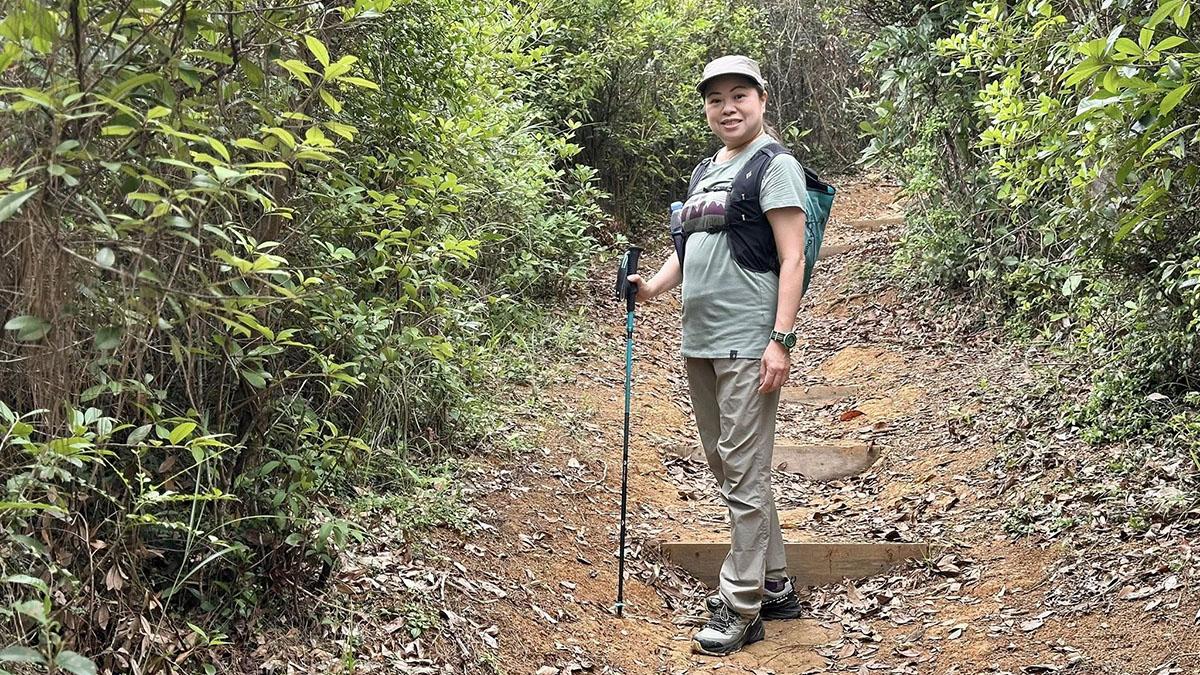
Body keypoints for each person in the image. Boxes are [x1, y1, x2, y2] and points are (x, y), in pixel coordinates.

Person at [626, 55, 809, 656]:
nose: (727, 108)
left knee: (743, 471)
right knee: (731, 468)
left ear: (761, 99)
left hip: (747, 340)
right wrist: (651, 288)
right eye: (716, 99)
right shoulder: (706, 170)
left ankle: (742, 604)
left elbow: (792, 257)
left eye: (739, 95)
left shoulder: (775, 166)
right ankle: (775, 584)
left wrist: (780, 340)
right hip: (699, 339)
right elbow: (689, 248)